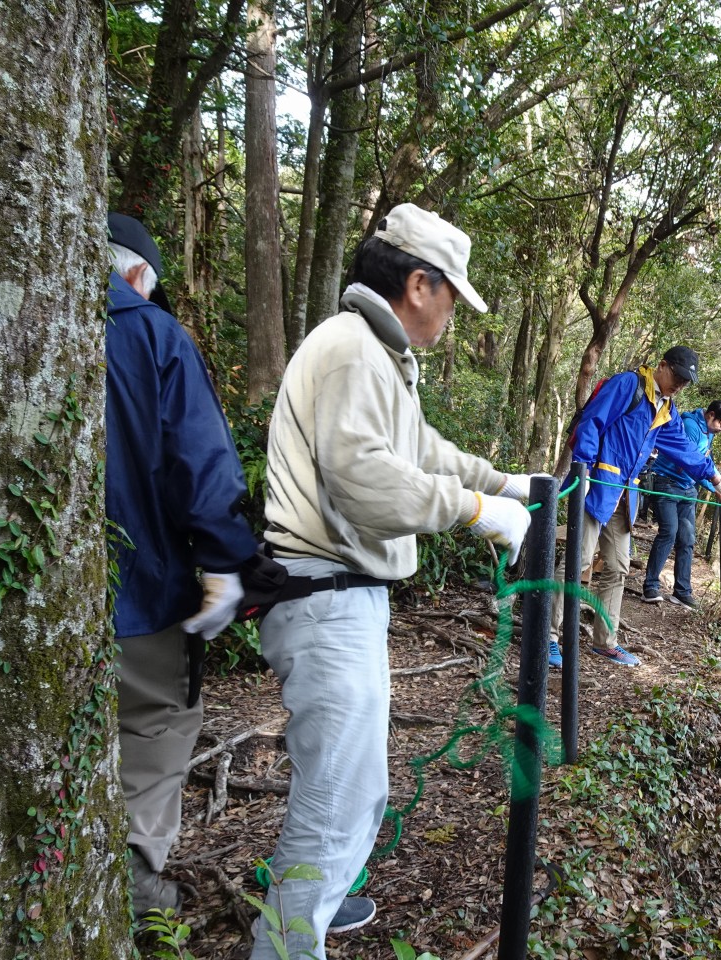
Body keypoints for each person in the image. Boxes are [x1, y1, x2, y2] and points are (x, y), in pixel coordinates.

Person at [251, 203, 532, 960]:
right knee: (335, 801)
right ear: (419, 284)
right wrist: (477, 511)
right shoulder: (351, 352)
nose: (451, 316)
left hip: (341, 598)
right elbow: (366, 481)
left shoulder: (376, 356)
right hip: (322, 594)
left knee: (356, 789)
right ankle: (284, 946)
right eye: (451, 297)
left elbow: (420, 449)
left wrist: (507, 482)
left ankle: (314, 902)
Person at [104, 213, 258, 917]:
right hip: (136, 592)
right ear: (138, 277)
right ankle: (134, 871)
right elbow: (199, 466)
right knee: (160, 716)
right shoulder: (151, 335)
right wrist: (226, 565)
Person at [552, 347, 721, 667]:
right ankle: (547, 635)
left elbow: (683, 448)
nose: (680, 385)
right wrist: (582, 470)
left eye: (686, 382)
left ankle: (605, 641)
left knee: (618, 566)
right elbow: (592, 422)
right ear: (662, 366)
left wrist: (715, 480)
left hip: (625, 496)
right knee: (578, 559)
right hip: (597, 487)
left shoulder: (666, 408)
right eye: (677, 376)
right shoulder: (629, 385)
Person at [641, 399, 721, 608]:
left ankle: (682, 592)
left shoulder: (708, 432)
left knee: (687, 538)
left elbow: (703, 464)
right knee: (669, 532)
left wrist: (715, 489)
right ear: (711, 415)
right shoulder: (691, 426)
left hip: (687, 488)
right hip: (666, 482)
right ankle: (650, 586)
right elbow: (690, 462)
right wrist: (716, 486)